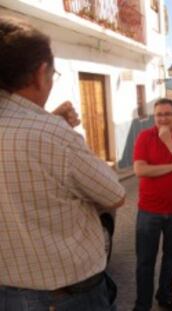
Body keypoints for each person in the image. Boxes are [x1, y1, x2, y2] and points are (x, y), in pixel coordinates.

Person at [0, 16, 126, 310]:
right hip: (65, 296)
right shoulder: (52, 133)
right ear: (40, 73)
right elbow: (115, 194)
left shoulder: (45, 129)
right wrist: (60, 131)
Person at [133, 98, 172, 311]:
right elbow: (140, 170)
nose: (162, 118)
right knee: (145, 260)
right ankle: (142, 304)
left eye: (167, 114)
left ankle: (165, 296)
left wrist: (169, 141)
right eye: (159, 114)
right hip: (149, 211)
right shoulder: (144, 136)